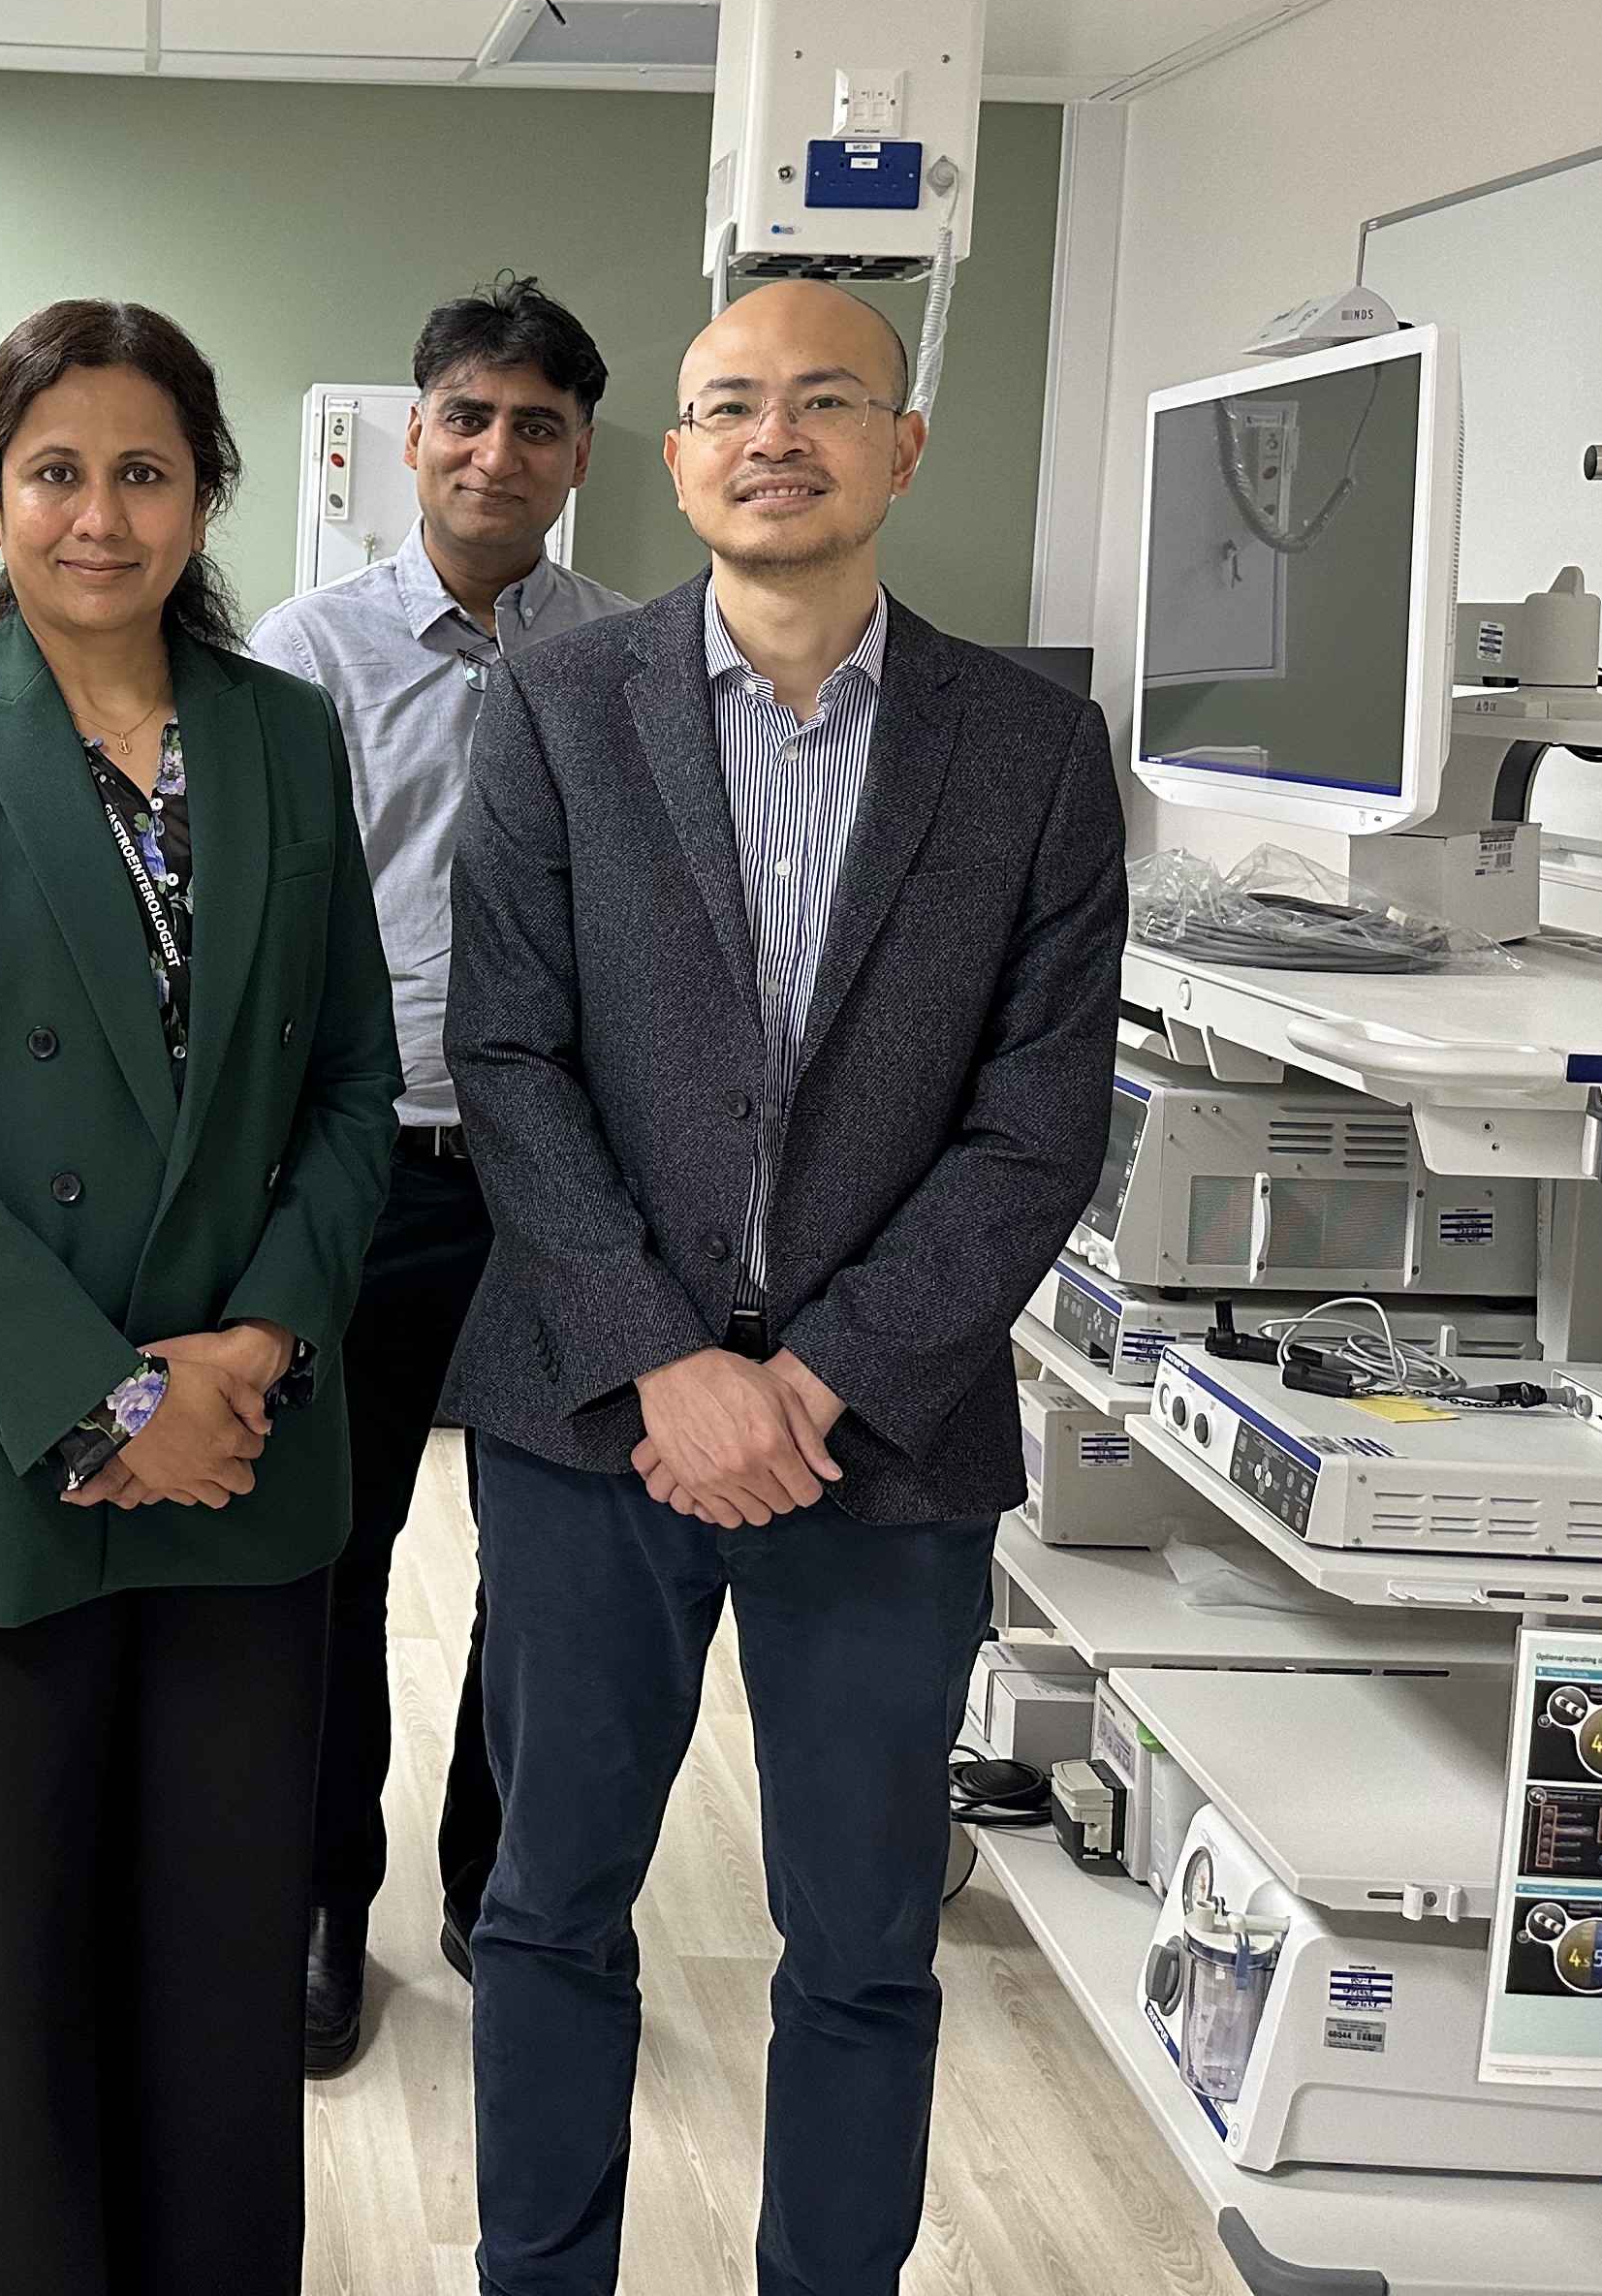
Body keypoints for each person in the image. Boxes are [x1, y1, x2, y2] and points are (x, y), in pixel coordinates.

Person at [444, 279, 1124, 2296]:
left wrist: (815, 1379)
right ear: (674, 460)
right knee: (551, 1907)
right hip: (590, 1421)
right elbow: (507, 1057)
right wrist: (666, 1355)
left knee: (861, 1949)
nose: (776, 435)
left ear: (904, 447)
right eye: (729, 402)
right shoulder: (560, 709)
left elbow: (1035, 1126)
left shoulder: (1031, 748)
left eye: (829, 400)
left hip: (883, 1450)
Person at [0, 300, 399, 2296]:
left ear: (204, 491)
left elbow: (347, 1087)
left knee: (219, 1964)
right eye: (56, 471)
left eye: (145, 470)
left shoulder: (284, 733)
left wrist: (246, 1351)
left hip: (243, 1456)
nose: (99, 513)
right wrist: (102, 1396)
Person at [242, 272, 633, 2074]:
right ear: (411, 434)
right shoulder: (304, 659)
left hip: (573, 1183)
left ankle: (500, 1883)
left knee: (547, 1562)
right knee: (332, 1551)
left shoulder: (639, 657)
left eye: (537, 424)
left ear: (574, 457)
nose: (497, 450)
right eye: (467, 415)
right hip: (375, 1170)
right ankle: (326, 1897)